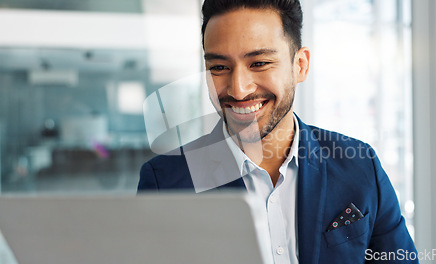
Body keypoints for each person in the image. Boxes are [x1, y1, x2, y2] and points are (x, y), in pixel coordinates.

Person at [138, 0, 418, 263]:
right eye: (219, 67)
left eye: (259, 63)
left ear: (300, 65)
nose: (238, 89)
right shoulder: (166, 181)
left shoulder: (359, 165)